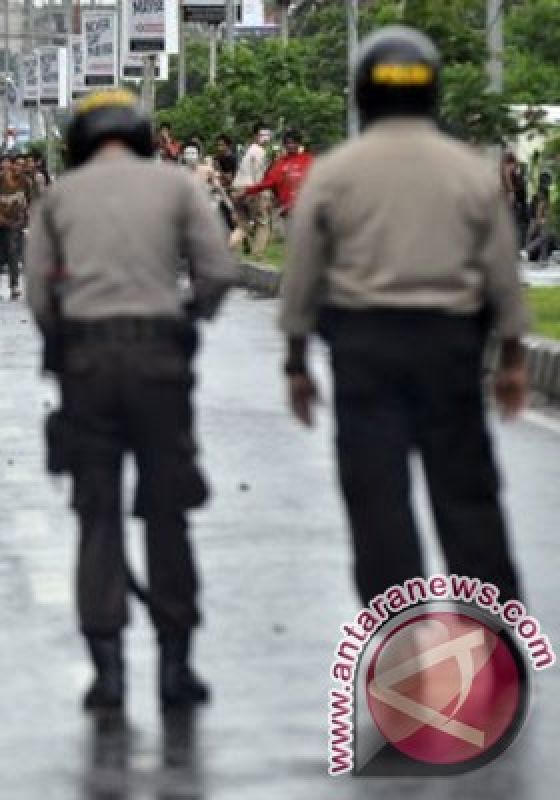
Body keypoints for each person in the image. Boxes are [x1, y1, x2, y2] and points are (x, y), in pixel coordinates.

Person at [280, 26, 526, 610]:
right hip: (450, 348)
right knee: (466, 495)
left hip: (365, 350)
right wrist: (513, 358)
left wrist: (295, 362)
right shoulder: (469, 170)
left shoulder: (336, 174)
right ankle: (494, 630)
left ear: (362, 92)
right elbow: (502, 273)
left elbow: (303, 274)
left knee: (378, 502)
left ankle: (401, 638)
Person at [26, 89, 235, 717]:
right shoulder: (176, 187)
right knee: (168, 511)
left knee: (98, 516)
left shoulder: (61, 196)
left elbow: (38, 291)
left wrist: (66, 337)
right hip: (160, 362)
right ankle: (175, 664)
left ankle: (108, 672)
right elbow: (218, 271)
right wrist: (188, 315)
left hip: (87, 365)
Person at [0, 153, 32, 299]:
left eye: (22, 165)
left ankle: (14, 285)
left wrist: (25, 219)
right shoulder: (0, 178)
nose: (18, 167)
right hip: (0, 220)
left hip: (16, 222)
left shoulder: (27, 182)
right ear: (12, 164)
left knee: (13, 252)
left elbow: (29, 202)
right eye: (16, 164)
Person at [233, 124, 272, 256]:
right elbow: (259, 176)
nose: (266, 138)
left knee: (242, 225)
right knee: (263, 222)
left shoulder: (250, 149)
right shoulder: (261, 152)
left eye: (268, 134)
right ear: (255, 136)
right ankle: (257, 255)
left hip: (238, 188)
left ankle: (229, 249)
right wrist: (264, 195)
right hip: (251, 190)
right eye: (263, 135)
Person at [526, 172, 554, 263]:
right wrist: (541, 221)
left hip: (536, 221)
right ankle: (530, 248)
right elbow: (540, 209)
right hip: (536, 222)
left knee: (546, 233)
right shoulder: (542, 192)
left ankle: (543, 257)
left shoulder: (541, 193)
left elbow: (544, 210)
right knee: (546, 234)